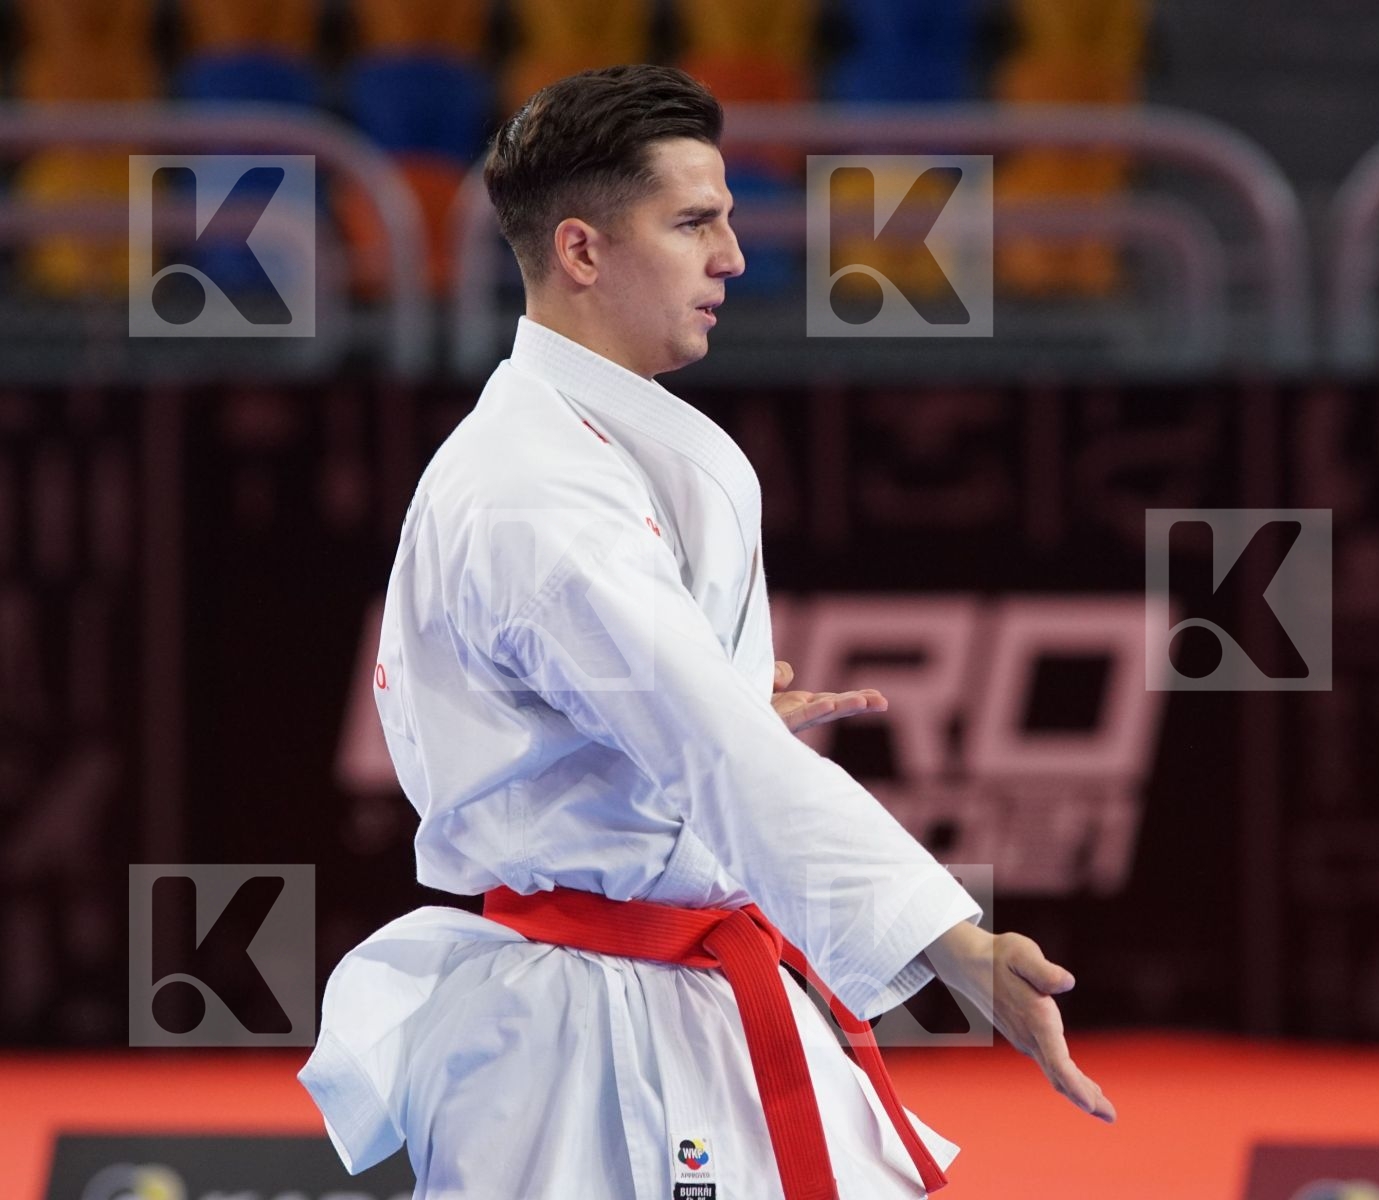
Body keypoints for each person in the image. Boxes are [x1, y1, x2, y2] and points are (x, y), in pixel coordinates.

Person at [299, 63, 1113, 1199]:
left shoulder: (605, 444)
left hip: (674, 986)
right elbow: (715, 756)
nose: (734, 256)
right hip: (583, 1032)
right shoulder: (534, 492)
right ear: (581, 251)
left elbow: (675, 731)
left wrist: (707, 708)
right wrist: (955, 948)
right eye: (695, 223)